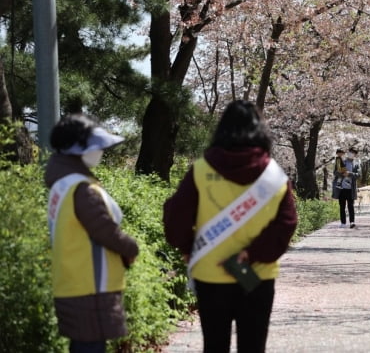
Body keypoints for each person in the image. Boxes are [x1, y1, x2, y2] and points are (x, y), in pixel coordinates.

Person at [163, 100, 298, 353]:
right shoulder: (273, 175)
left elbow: (176, 217)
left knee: (214, 346)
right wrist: (253, 253)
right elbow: (287, 222)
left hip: (210, 273)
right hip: (257, 275)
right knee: (253, 346)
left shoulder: (201, 170)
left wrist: (186, 247)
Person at [44, 114, 139, 353]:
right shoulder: (81, 188)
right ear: (77, 151)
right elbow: (104, 230)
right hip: (90, 289)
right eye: (97, 147)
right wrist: (131, 247)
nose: (101, 152)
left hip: (74, 284)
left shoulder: (63, 185)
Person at [332, 147, 360, 228]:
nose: (351, 154)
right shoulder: (342, 161)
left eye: (353, 153)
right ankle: (343, 222)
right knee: (342, 206)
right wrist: (341, 173)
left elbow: (358, 175)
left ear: (355, 155)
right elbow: (335, 172)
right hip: (341, 187)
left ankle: (352, 222)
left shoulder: (356, 163)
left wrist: (350, 174)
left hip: (351, 188)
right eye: (350, 152)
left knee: (351, 205)